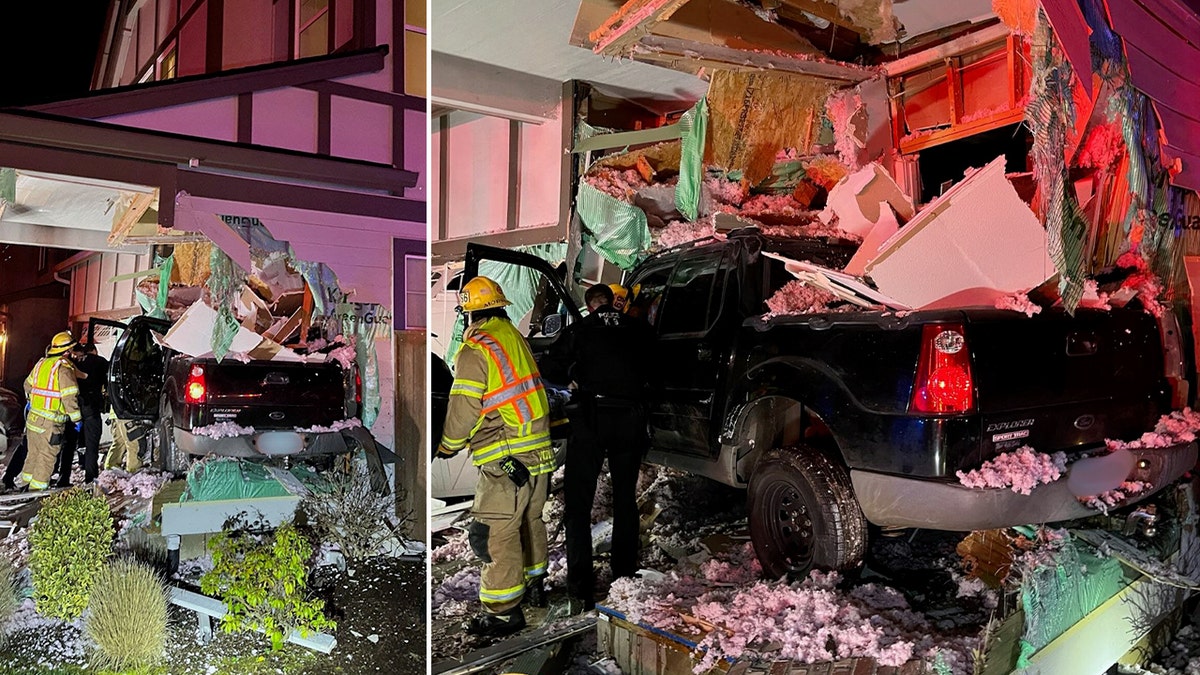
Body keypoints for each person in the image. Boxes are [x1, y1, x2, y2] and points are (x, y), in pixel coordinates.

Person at [435, 276, 556, 637]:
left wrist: (447, 444)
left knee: (492, 534)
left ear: (469, 313)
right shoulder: (512, 338)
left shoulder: (476, 349)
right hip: (536, 452)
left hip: (506, 458)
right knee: (529, 522)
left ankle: (503, 614)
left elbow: (464, 407)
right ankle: (534, 586)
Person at [542, 283, 654, 612]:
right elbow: (657, 366)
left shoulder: (580, 329)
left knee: (578, 506)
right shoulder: (637, 329)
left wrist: (572, 379)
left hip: (590, 421)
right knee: (625, 500)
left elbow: (549, 369)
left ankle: (581, 587)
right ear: (614, 304)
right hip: (629, 420)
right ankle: (624, 573)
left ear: (591, 305)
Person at [16, 332, 82, 491]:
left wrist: (33, 401)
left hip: (33, 419)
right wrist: (77, 419)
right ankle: (36, 492)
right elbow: (69, 398)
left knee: (33, 454)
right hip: (51, 424)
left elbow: (27, 386)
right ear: (67, 351)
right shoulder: (64, 369)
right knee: (46, 457)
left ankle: (24, 487)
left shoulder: (41, 364)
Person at [67, 342, 109, 485]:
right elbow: (109, 380)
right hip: (91, 407)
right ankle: (90, 478)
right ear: (93, 351)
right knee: (92, 445)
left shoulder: (69, 362)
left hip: (74, 408)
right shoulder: (100, 362)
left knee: (71, 443)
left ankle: (64, 476)